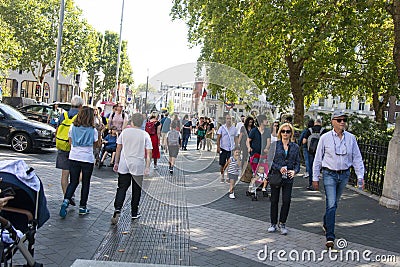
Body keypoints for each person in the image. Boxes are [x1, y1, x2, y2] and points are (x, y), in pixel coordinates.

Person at [312, 111, 364, 249]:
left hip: (344, 174)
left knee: (334, 204)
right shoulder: (325, 138)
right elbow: (318, 158)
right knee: (332, 204)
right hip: (329, 174)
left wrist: (360, 176)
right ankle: (330, 236)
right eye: (339, 120)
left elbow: (357, 158)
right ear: (332, 122)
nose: (342, 122)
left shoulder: (351, 138)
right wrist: (315, 177)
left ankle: (326, 221)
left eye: (344, 120)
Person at [111, 113, 152, 224]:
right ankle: (134, 213)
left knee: (122, 187)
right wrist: (147, 167)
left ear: (132, 121)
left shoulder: (125, 132)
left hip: (124, 164)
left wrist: (116, 162)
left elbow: (118, 148)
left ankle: (117, 208)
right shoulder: (145, 135)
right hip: (138, 165)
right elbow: (149, 152)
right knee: (136, 190)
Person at [59, 107, 98, 218]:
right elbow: (96, 144)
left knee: (73, 181)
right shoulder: (93, 130)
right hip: (87, 158)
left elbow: (70, 141)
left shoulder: (73, 127)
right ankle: (82, 207)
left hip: (74, 156)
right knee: (85, 183)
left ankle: (66, 201)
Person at [267, 123, 300, 235]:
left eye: (288, 131)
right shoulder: (275, 145)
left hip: (288, 178)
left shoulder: (295, 147)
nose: (285, 133)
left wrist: (294, 171)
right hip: (276, 176)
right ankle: (273, 223)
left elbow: (297, 163)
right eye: (283, 131)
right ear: (280, 133)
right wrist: (279, 168)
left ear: (291, 133)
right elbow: (270, 161)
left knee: (286, 201)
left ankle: (283, 223)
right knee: (274, 200)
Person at [55, 95, 83, 205]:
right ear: (81, 106)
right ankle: (70, 194)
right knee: (78, 173)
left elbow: (57, 130)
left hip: (62, 146)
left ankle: (66, 196)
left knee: (64, 175)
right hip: (75, 149)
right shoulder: (81, 116)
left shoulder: (64, 115)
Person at [302, 118, 328, 190]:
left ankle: (311, 184)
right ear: (321, 123)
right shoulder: (324, 131)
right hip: (321, 152)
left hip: (311, 151)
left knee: (311, 167)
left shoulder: (310, 130)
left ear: (315, 123)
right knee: (322, 167)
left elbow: (304, 141)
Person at [216, 114, 238, 183]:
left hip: (231, 149)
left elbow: (236, 138)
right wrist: (218, 147)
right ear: (225, 120)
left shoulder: (234, 129)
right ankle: (222, 176)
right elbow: (218, 138)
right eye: (227, 119)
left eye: (230, 119)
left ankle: (228, 177)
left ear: (232, 120)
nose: (229, 120)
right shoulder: (222, 128)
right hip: (223, 148)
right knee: (222, 164)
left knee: (230, 164)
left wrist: (236, 147)